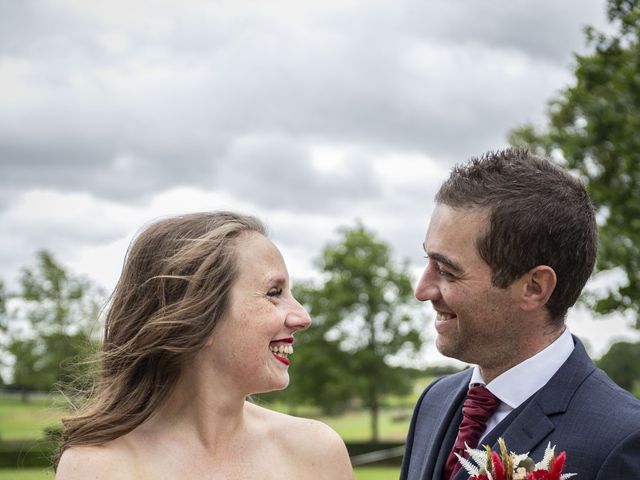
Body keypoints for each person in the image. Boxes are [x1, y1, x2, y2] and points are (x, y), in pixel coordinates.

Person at [56, 212, 354, 480]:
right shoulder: (97, 468)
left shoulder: (317, 452)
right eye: (273, 292)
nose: (303, 317)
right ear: (197, 317)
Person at [400, 149, 640, 479]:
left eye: (447, 270)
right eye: (428, 261)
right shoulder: (434, 401)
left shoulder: (622, 440)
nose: (422, 289)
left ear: (534, 287)